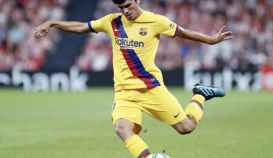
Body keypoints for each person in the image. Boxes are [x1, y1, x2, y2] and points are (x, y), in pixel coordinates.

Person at [33, 0, 232, 157]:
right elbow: (81, 27)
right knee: (122, 129)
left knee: (186, 127)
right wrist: (53, 23)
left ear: (137, 0)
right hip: (125, 93)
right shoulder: (112, 21)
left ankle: (199, 95)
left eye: (128, 5)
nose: (125, 11)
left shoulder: (156, 21)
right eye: (121, 7)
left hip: (152, 89)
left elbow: (184, 33)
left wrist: (211, 40)